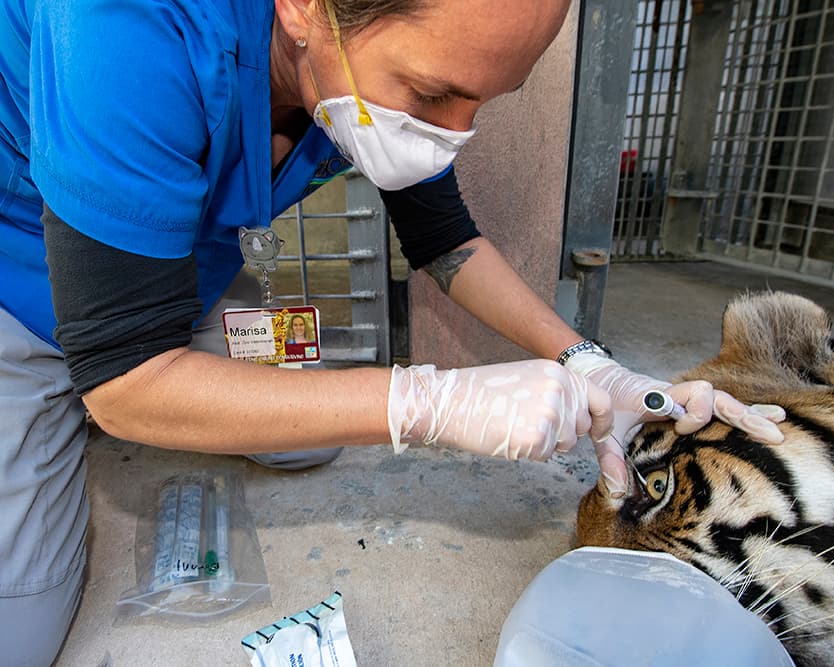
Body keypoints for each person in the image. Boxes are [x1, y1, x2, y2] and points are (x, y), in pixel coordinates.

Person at [0, 0, 786, 663]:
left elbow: (448, 242)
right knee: (19, 629)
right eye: (433, 93)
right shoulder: (125, 21)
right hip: (20, 276)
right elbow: (123, 379)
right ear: (305, 8)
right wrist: (425, 401)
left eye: (482, 103)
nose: (453, 134)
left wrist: (591, 360)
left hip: (177, 267)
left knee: (307, 436)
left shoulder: (355, 65)